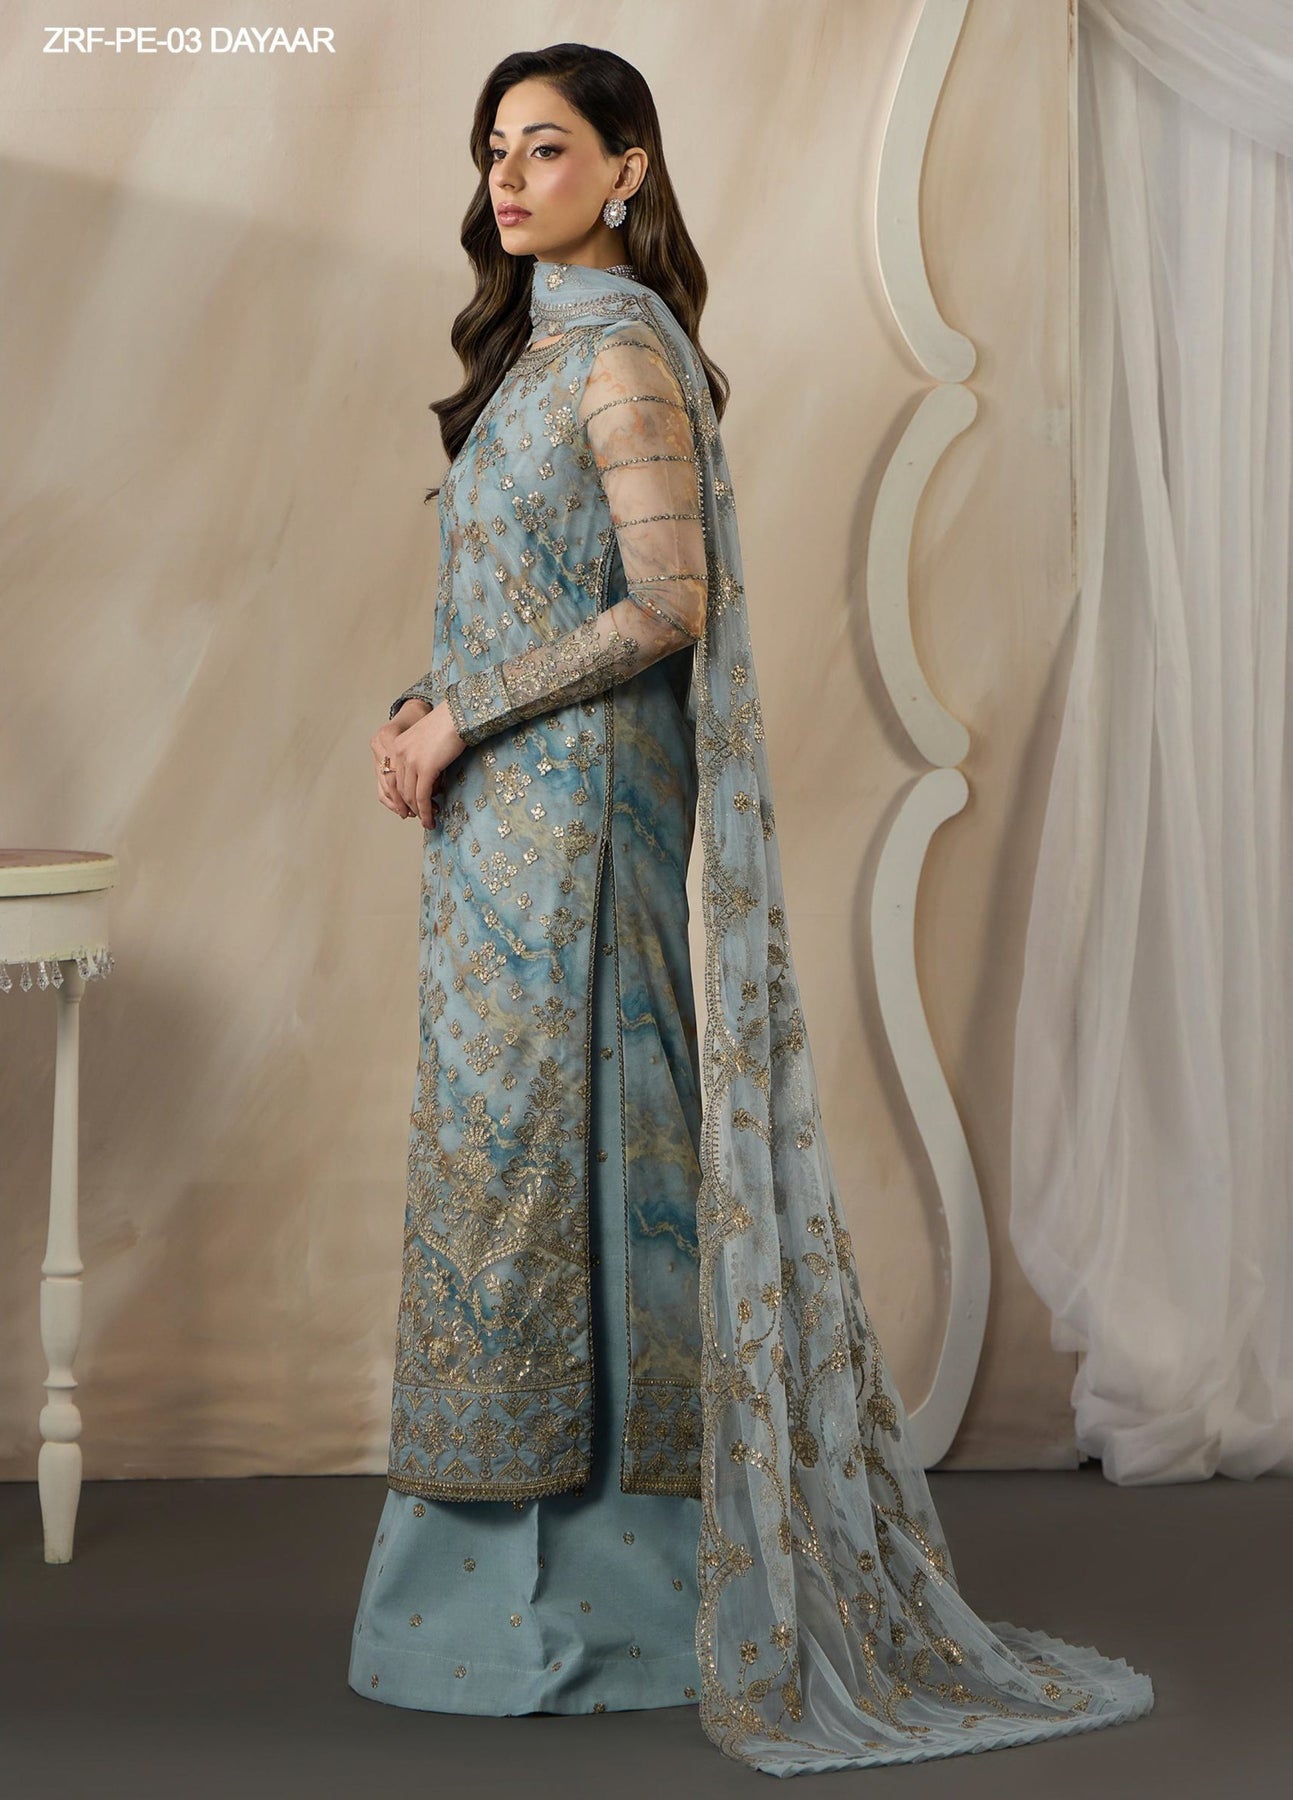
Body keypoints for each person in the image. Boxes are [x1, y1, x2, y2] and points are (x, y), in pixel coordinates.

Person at [349, 41, 1155, 1777]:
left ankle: (619, 1603)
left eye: (544, 147)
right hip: (498, 835)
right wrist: (425, 703)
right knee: (502, 1175)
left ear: (627, 165)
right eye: (494, 150)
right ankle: (499, 1592)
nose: (508, 179)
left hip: (581, 829)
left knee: (578, 1167)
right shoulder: (527, 355)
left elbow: (667, 604)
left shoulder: (622, 352)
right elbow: (527, 592)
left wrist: (464, 715)